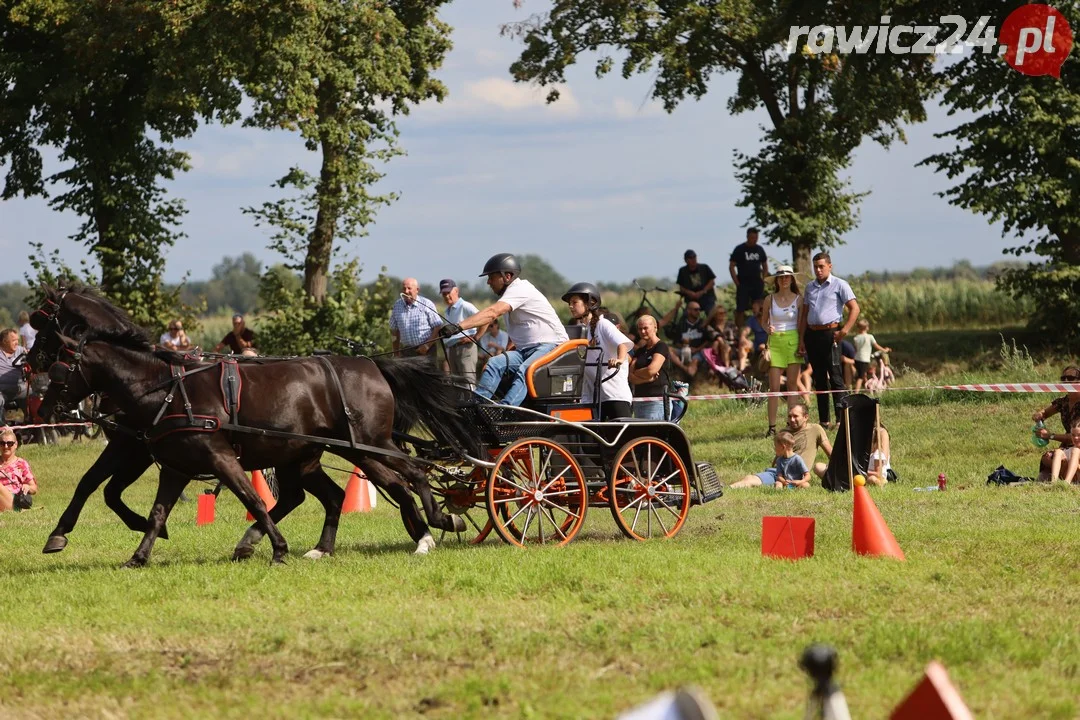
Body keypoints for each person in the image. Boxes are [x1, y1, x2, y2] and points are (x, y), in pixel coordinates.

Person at [434, 254, 568, 406]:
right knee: (494, 364)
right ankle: (475, 408)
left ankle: (505, 410)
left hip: (552, 347)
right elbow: (517, 332)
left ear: (507, 276)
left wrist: (458, 327)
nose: (488, 282)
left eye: (492, 277)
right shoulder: (509, 297)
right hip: (526, 350)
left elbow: (491, 313)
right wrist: (507, 352)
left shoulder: (520, 289)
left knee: (526, 370)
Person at [798, 252, 860, 428]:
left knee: (835, 376)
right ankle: (824, 420)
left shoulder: (840, 285)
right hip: (812, 334)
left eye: (821, 266)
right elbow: (804, 315)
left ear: (829, 266)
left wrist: (844, 331)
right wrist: (801, 339)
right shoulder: (809, 287)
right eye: (815, 266)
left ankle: (842, 419)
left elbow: (854, 308)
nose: (818, 270)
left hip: (831, 333)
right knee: (818, 378)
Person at [563, 283, 633, 420]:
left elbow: (623, 343)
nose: (570, 306)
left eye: (574, 302)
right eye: (569, 303)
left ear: (591, 303)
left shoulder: (603, 324)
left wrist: (619, 359)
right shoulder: (584, 329)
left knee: (622, 437)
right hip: (593, 396)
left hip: (614, 394)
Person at [763, 265, 802, 437]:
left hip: (793, 340)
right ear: (777, 280)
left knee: (792, 384)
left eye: (787, 277)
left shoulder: (798, 299)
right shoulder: (769, 299)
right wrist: (767, 329)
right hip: (776, 341)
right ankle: (772, 427)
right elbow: (763, 321)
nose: (784, 280)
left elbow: (801, 324)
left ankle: (791, 423)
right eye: (781, 277)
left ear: (791, 279)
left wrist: (801, 343)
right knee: (774, 387)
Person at [1032, 365, 1080, 477]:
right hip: (1068, 445)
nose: (1066, 381)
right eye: (1063, 378)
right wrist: (1039, 415)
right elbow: (1044, 413)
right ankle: (1057, 482)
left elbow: (1075, 436)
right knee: (1047, 458)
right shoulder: (1063, 402)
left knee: (1060, 460)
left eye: (1071, 378)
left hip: (1077, 442)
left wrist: (1050, 436)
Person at [439, 279, 484, 388]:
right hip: (453, 349)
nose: (446, 296)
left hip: (465, 348)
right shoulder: (447, 310)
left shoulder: (465, 306)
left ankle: (473, 403)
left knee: (468, 382)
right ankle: (463, 404)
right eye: (444, 294)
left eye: (448, 293)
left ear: (456, 291)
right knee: (457, 383)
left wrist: (475, 337)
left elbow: (484, 319)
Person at [390, 278, 443, 368]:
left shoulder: (427, 304)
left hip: (426, 351)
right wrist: (396, 353)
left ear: (417, 290)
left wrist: (426, 346)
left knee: (428, 379)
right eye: (404, 289)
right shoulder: (397, 305)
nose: (406, 291)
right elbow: (394, 331)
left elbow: (437, 327)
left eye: (409, 288)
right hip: (407, 351)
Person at [730, 430, 811, 488]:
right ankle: (779, 495)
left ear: (783, 447)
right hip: (785, 483)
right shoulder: (779, 460)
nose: (774, 449)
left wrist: (799, 481)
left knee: (806, 485)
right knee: (778, 483)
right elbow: (779, 476)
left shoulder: (797, 459)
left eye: (775, 447)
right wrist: (784, 481)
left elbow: (807, 475)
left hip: (797, 483)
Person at [660, 298, 713, 380]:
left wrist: (697, 349)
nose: (699, 312)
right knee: (668, 349)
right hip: (684, 350)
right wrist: (684, 347)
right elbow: (676, 342)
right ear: (688, 311)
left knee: (693, 366)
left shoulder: (703, 324)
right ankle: (684, 368)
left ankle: (690, 378)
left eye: (699, 309)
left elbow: (708, 341)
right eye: (696, 309)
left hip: (699, 352)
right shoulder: (681, 325)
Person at [629, 315, 670, 420]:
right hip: (639, 401)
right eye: (640, 328)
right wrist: (648, 378)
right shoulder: (640, 351)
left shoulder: (661, 346)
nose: (642, 331)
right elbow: (630, 376)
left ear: (655, 328)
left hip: (657, 401)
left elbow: (652, 370)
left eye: (645, 328)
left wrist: (638, 373)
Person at [729, 227, 768, 328]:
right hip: (743, 283)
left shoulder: (759, 249)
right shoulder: (740, 249)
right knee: (741, 309)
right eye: (752, 237)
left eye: (756, 237)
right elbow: (732, 266)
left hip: (757, 282)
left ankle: (760, 328)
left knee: (760, 306)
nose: (754, 239)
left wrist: (764, 278)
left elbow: (764, 265)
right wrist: (737, 282)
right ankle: (740, 330)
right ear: (747, 237)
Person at [787, 402, 832, 479]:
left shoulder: (815, 429)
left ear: (806, 417)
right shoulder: (783, 433)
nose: (792, 419)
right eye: (789, 416)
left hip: (796, 476)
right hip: (779, 473)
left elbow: (831, 453)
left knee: (818, 467)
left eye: (795, 416)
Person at [0, 427, 37, 513]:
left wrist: (28, 487)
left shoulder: (21, 464)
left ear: (16, 444)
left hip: (14, 501)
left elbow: (34, 488)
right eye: (2, 443)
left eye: (9, 444)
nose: (6, 446)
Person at [851, 319, 891, 391]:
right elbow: (876, 346)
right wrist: (884, 350)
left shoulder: (856, 338)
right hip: (864, 359)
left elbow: (856, 349)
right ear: (866, 327)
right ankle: (856, 392)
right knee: (860, 377)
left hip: (857, 359)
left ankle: (866, 387)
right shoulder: (870, 337)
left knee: (863, 374)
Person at [676, 249, 718, 316]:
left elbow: (712, 282)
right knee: (687, 315)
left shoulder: (704, 267)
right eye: (690, 258)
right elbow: (681, 287)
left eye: (694, 257)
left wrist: (702, 291)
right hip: (691, 299)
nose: (693, 259)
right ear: (686, 260)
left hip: (707, 297)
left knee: (711, 313)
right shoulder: (682, 271)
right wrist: (690, 293)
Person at [0, 329, 27, 418]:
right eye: (13, 340)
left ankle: (40, 424)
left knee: (38, 396)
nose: (16, 343)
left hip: (21, 389)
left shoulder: (21, 351)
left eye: (17, 340)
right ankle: (3, 428)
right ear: (4, 341)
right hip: (2, 391)